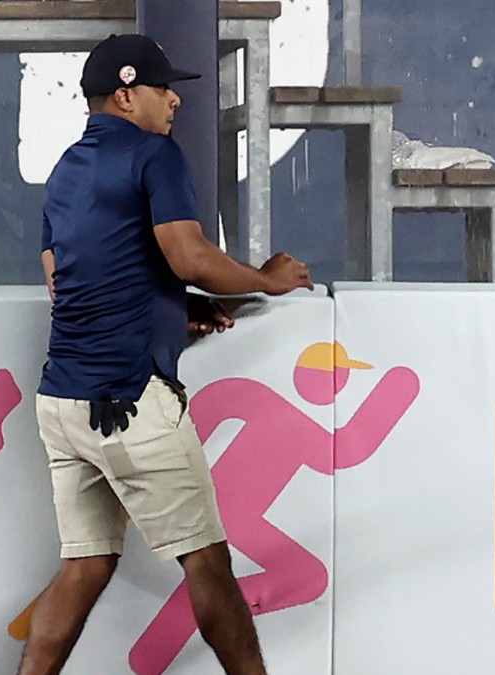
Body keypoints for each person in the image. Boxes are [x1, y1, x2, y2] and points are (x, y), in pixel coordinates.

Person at [20, 34, 314, 675]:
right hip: (128, 402)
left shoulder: (66, 168)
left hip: (63, 403)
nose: (174, 99)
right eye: (162, 88)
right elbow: (190, 257)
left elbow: (64, 281)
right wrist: (266, 278)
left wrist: (172, 310)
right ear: (127, 95)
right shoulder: (156, 154)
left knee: (86, 565)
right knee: (208, 562)